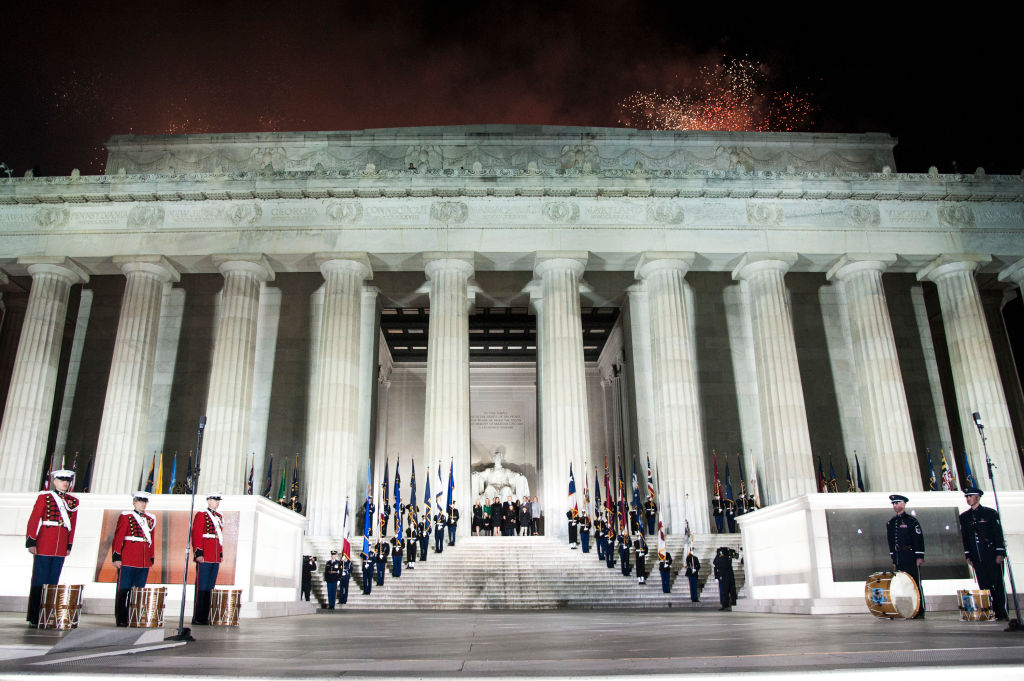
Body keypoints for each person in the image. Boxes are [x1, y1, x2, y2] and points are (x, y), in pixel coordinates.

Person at [25, 469, 78, 626]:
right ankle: (35, 615)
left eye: (67, 481)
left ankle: (47, 614)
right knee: (39, 580)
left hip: (61, 545)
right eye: (62, 480)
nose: (65, 483)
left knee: (53, 581)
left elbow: (72, 525)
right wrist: (31, 541)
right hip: (45, 542)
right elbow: (34, 519)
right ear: (54, 481)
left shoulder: (72, 501)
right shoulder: (45, 497)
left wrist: (69, 544)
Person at [960, 487, 1009, 621]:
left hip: (991, 554)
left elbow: (997, 534)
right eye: (966, 497)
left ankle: (1002, 612)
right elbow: (965, 537)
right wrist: (968, 555)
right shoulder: (964, 517)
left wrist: (1000, 552)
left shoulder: (990, 513)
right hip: (977, 556)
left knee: (997, 584)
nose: (968, 499)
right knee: (984, 585)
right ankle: (990, 611)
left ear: (977, 497)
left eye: (970, 496)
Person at [111, 491, 156, 627]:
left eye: (144, 502)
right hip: (128, 558)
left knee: (138, 591)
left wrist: (151, 556)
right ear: (134, 502)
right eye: (140, 501)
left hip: (143, 560)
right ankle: (121, 618)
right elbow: (119, 536)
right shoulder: (126, 516)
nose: (143, 504)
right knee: (123, 590)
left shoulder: (151, 519)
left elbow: (151, 539)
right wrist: (116, 556)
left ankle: (133, 617)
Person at [886, 493, 925, 619]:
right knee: (902, 584)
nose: (895, 505)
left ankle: (919, 610)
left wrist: (919, 556)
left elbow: (918, 538)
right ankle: (907, 610)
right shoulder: (891, 522)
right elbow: (891, 542)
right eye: (893, 503)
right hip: (899, 556)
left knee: (915, 583)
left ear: (903, 504)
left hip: (910, 555)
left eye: (897, 503)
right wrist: (894, 559)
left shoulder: (911, 521)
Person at [191, 492, 224, 625]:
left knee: (210, 587)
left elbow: (219, 537)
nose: (217, 502)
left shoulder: (219, 516)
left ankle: (205, 616)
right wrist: (198, 552)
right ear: (209, 501)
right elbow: (197, 533)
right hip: (205, 555)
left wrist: (220, 553)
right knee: (202, 586)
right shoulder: (202, 514)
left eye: (218, 500)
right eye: (215, 500)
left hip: (214, 556)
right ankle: (198, 617)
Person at [713, 547, 737, 611]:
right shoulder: (720, 558)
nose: (721, 554)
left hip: (728, 576)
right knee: (725, 592)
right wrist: (716, 576)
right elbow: (715, 564)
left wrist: (730, 551)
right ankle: (726, 605)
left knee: (731, 591)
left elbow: (735, 555)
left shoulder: (728, 556)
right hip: (724, 576)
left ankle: (732, 604)